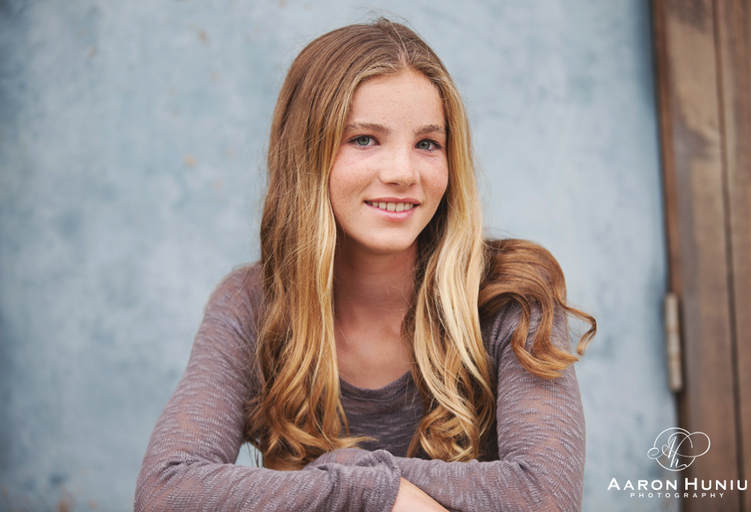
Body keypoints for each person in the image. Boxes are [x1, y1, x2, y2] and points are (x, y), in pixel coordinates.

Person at [135, 18, 595, 512]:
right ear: (306, 156)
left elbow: (545, 497)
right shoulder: (251, 304)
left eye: (427, 144)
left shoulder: (512, 295)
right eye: (364, 139)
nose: (402, 173)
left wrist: (355, 469)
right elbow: (168, 493)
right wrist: (372, 491)